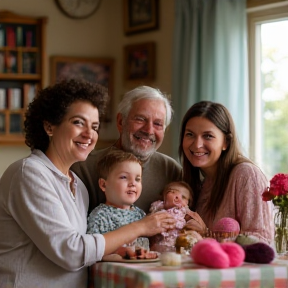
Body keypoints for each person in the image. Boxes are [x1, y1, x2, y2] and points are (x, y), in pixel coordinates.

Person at [0, 79, 176, 288]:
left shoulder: (77, 185)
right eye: (78, 122)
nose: (88, 134)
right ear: (49, 126)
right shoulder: (28, 174)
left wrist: (118, 252)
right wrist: (141, 227)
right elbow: (71, 252)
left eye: (94, 126)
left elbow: (86, 247)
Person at [71, 85, 182, 214]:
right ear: (120, 122)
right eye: (140, 119)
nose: (149, 130)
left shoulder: (172, 171)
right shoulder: (84, 168)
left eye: (157, 124)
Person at [178, 100, 274, 244]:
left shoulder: (246, 175)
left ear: (226, 142)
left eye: (208, 136)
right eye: (190, 134)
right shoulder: (202, 183)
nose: (197, 144)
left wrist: (206, 234)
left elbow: (260, 241)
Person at [87, 150, 149, 250]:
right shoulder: (100, 216)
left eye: (137, 179)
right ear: (103, 184)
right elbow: (94, 251)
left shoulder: (140, 215)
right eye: (124, 177)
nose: (133, 183)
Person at [149, 181, 203, 251]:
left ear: (188, 203)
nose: (178, 197)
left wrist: (194, 225)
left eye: (183, 197)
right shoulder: (158, 208)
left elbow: (198, 225)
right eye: (171, 192)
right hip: (160, 244)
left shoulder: (186, 212)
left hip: (180, 242)